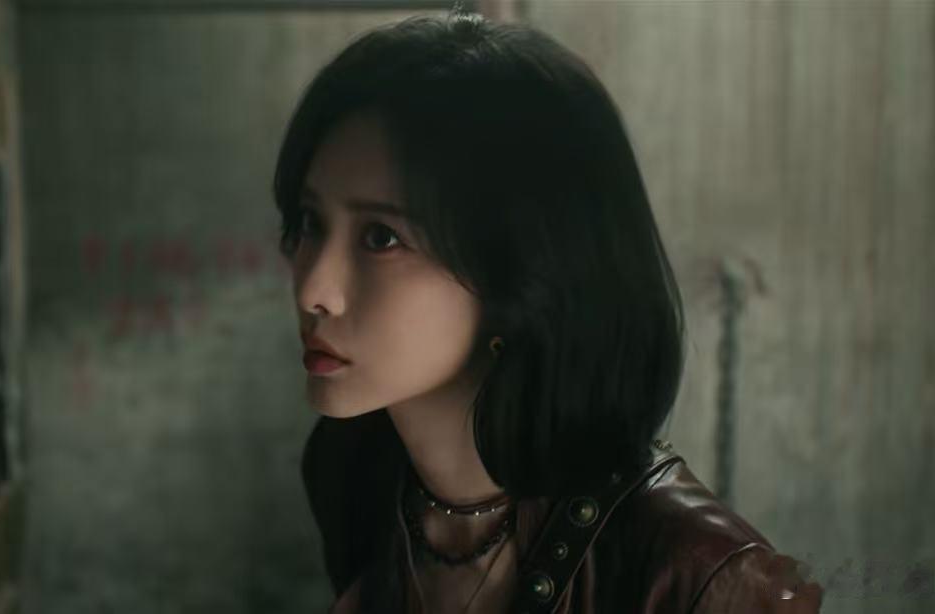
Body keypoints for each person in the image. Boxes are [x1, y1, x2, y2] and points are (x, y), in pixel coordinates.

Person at [273, 10, 823, 614]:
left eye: (381, 237)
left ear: (523, 269)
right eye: (310, 221)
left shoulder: (707, 580)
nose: (312, 289)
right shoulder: (352, 472)